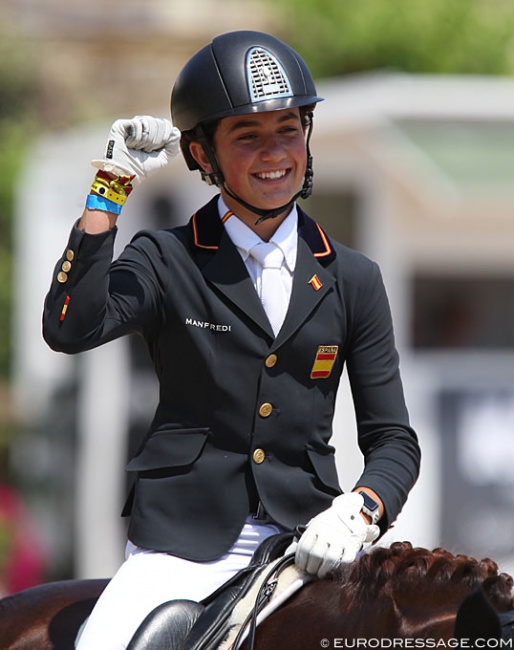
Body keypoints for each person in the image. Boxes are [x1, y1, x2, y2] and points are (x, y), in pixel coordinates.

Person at [43, 30, 421, 650]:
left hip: (311, 538)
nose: (275, 152)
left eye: (288, 129)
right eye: (247, 135)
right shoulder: (165, 258)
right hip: (182, 543)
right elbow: (68, 327)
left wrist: (362, 509)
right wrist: (110, 185)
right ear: (202, 153)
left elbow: (393, 439)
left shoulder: (354, 277)